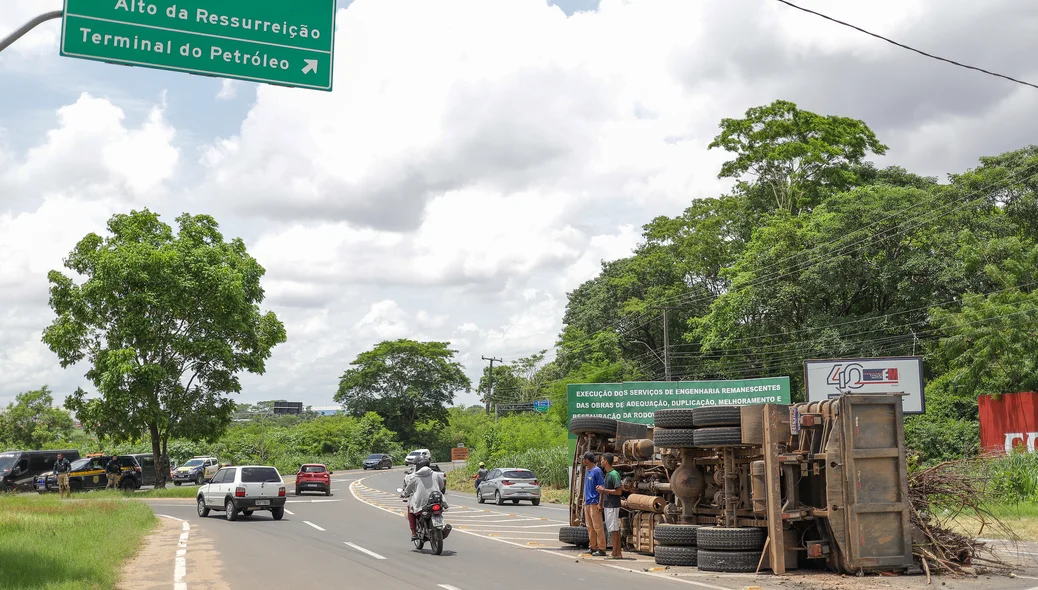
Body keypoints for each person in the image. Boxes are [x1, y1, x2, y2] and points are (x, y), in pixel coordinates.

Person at [401, 459, 446, 540]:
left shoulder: (415, 477)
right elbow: (442, 486)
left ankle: (414, 532)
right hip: (436, 500)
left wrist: (404, 494)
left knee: (410, 509)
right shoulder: (435, 474)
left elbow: (408, 490)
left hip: (421, 504)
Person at [596, 453, 623, 559]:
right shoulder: (607, 474)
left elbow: (619, 491)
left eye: (602, 459)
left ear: (606, 461)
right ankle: (616, 552)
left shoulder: (614, 474)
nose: (601, 461)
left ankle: (616, 553)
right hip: (608, 505)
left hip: (613, 505)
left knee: (614, 529)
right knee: (612, 528)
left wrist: (604, 490)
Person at [581, 451, 607, 556]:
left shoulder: (597, 471)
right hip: (587, 503)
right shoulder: (588, 471)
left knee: (598, 527)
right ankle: (592, 546)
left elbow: (601, 488)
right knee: (589, 526)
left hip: (594, 502)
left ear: (587, 460)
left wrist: (600, 503)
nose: (583, 461)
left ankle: (602, 548)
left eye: (584, 459)